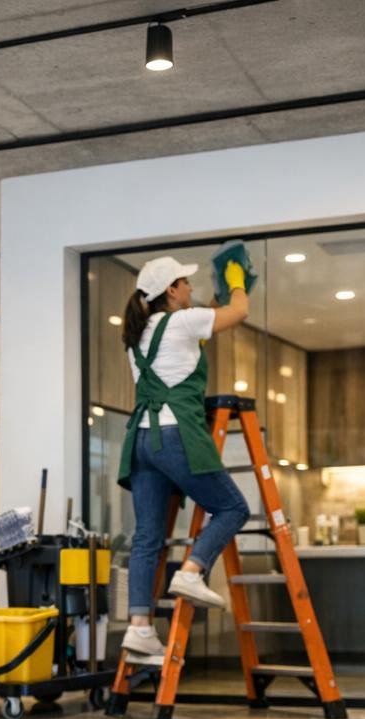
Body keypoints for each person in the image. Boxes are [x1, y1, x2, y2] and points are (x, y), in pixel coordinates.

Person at [118, 255, 253, 662]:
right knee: (233, 507)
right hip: (176, 435)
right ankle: (192, 571)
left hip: (141, 440)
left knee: (147, 536)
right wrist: (237, 282)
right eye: (184, 282)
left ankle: (139, 628)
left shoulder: (139, 335)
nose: (190, 289)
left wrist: (216, 299)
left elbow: (198, 333)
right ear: (171, 292)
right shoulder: (183, 321)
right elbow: (240, 312)